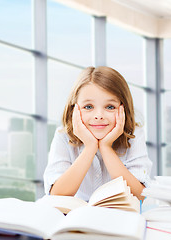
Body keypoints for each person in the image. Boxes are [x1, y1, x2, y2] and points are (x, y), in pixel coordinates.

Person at [44, 66, 152, 201]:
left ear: (124, 109)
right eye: (88, 107)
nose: (99, 115)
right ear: (74, 110)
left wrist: (106, 147)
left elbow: (139, 195)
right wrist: (90, 147)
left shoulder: (134, 135)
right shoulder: (63, 135)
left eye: (110, 107)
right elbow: (56, 194)